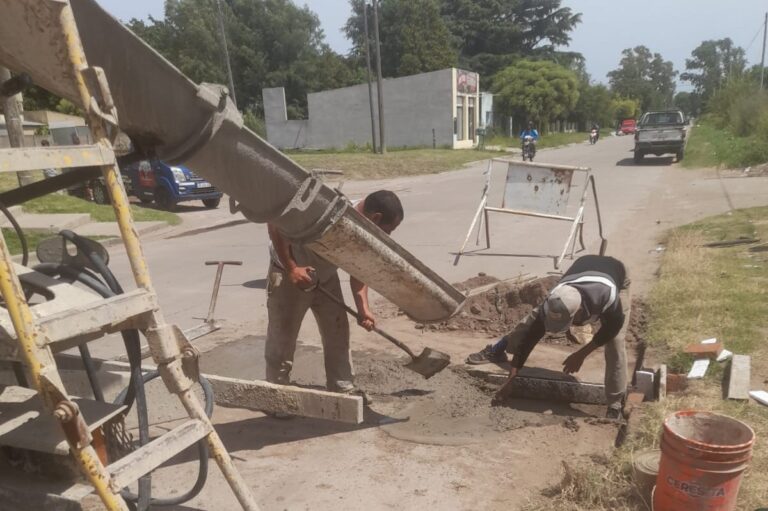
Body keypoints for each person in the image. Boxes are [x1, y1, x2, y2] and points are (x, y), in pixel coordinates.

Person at [265, 190, 404, 403]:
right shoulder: (326, 209)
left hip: (326, 277)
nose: (389, 236)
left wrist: (363, 307)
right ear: (375, 217)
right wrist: (292, 268)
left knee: (337, 332)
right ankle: (275, 393)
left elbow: (359, 270)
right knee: (283, 338)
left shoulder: (366, 231)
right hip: (288, 275)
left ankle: (342, 387)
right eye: (389, 230)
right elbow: (275, 223)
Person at [466, 255, 630, 418]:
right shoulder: (555, 298)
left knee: (615, 342)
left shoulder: (607, 297)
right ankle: (497, 349)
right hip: (582, 272)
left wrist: (581, 355)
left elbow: (612, 327)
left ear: (578, 312)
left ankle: (615, 404)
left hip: (617, 276)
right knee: (528, 325)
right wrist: (511, 378)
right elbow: (530, 338)